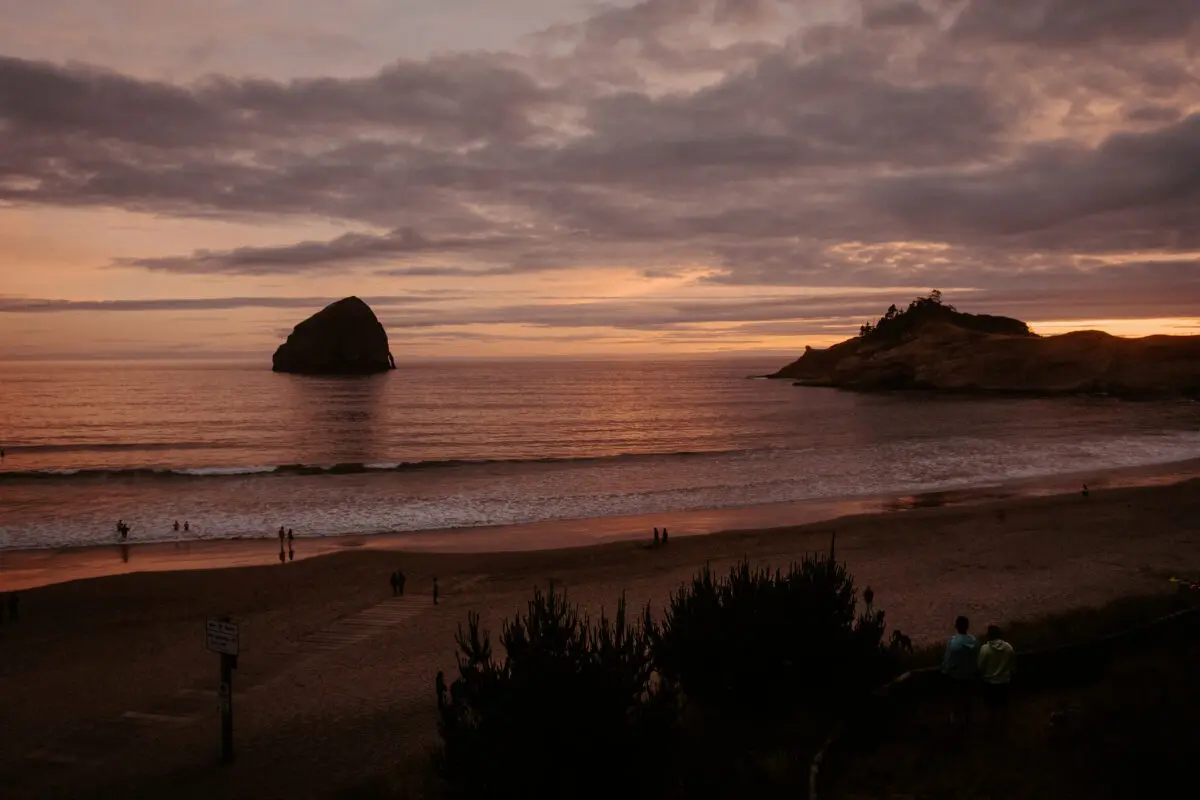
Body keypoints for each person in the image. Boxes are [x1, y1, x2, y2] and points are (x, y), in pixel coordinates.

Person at [942, 615, 978, 726]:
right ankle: (968, 719)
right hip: (970, 676)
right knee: (968, 699)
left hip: (956, 677)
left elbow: (948, 661)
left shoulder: (953, 642)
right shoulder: (974, 641)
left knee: (955, 700)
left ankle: (956, 721)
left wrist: (945, 671)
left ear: (956, 627)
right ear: (967, 627)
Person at [977, 625, 1015, 723]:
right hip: (1005, 681)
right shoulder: (1008, 648)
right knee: (1003, 706)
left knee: (990, 706)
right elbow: (1012, 664)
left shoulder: (985, 649)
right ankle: (1003, 723)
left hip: (989, 682)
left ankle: (991, 723)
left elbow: (980, 666)